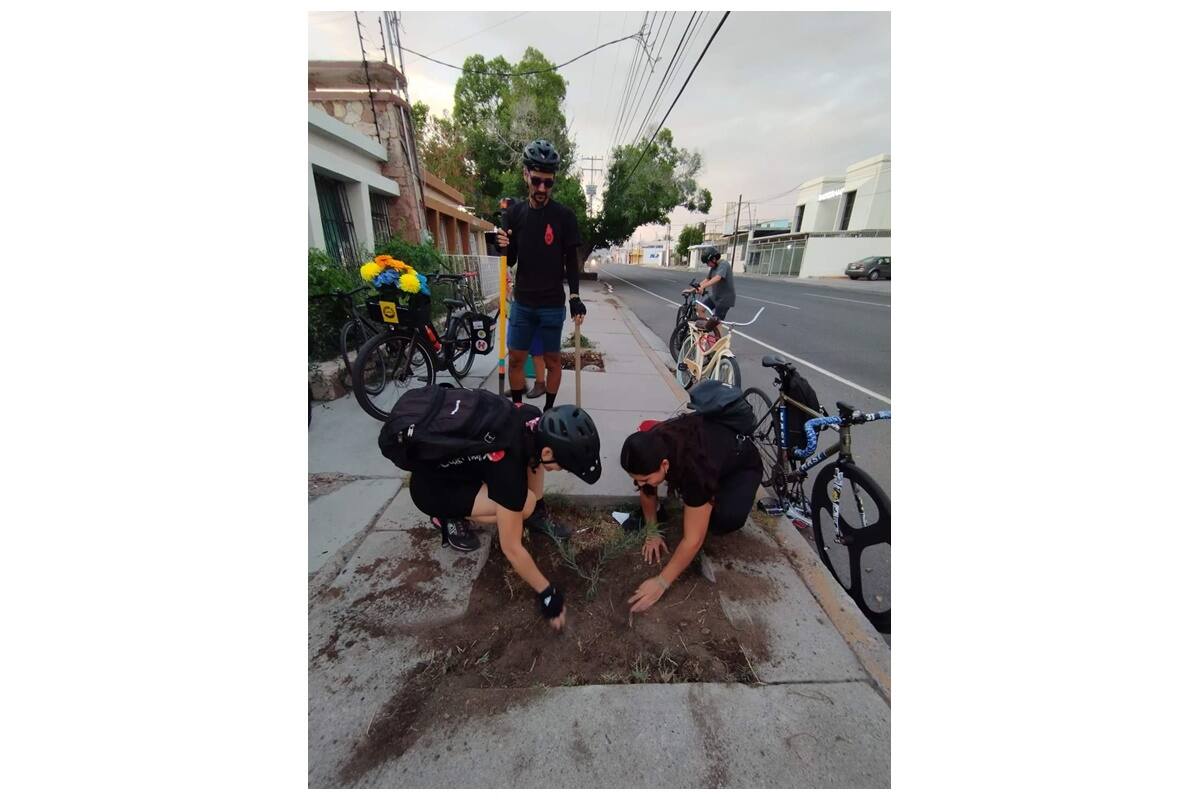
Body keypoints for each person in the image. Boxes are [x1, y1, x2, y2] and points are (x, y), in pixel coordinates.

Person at [391, 392, 602, 630]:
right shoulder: (507, 469)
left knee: (529, 493)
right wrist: (547, 593)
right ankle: (447, 515)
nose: (560, 470)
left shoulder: (532, 418)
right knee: (522, 505)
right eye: (562, 465)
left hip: (460, 471)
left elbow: (534, 462)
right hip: (433, 490)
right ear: (548, 454)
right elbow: (511, 548)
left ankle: (536, 512)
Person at [618, 412, 761, 613]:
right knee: (694, 502)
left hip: (742, 466)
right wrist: (652, 532)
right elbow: (647, 491)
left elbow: (693, 540)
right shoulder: (653, 441)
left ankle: (715, 498)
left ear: (665, 464)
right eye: (636, 480)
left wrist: (661, 583)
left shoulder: (696, 470)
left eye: (645, 478)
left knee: (724, 520)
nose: (640, 485)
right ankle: (705, 499)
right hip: (713, 454)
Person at [496, 138, 586, 410]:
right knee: (515, 359)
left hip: (551, 305)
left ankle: (548, 411)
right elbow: (510, 260)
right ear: (526, 175)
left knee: (553, 362)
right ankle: (518, 411)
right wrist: (503, 246)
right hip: (523, 303)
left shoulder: (564, 217)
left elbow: (571, 260)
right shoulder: (513, 215)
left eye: (548, 182)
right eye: (536, 181)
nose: (542, 188)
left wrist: (575, 297)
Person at [692, 246, 736, 346]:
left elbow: (717, 278)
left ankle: (718, 346)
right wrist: (693, 289)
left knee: (717, 321)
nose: (708, 265)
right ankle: (705, 333)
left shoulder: (723, 264)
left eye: (708, 262)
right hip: (715, 296)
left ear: (714, 258)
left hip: (725, 298)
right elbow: (707, 279)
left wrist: (703, 287)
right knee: (700, 308)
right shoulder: (714, 267)